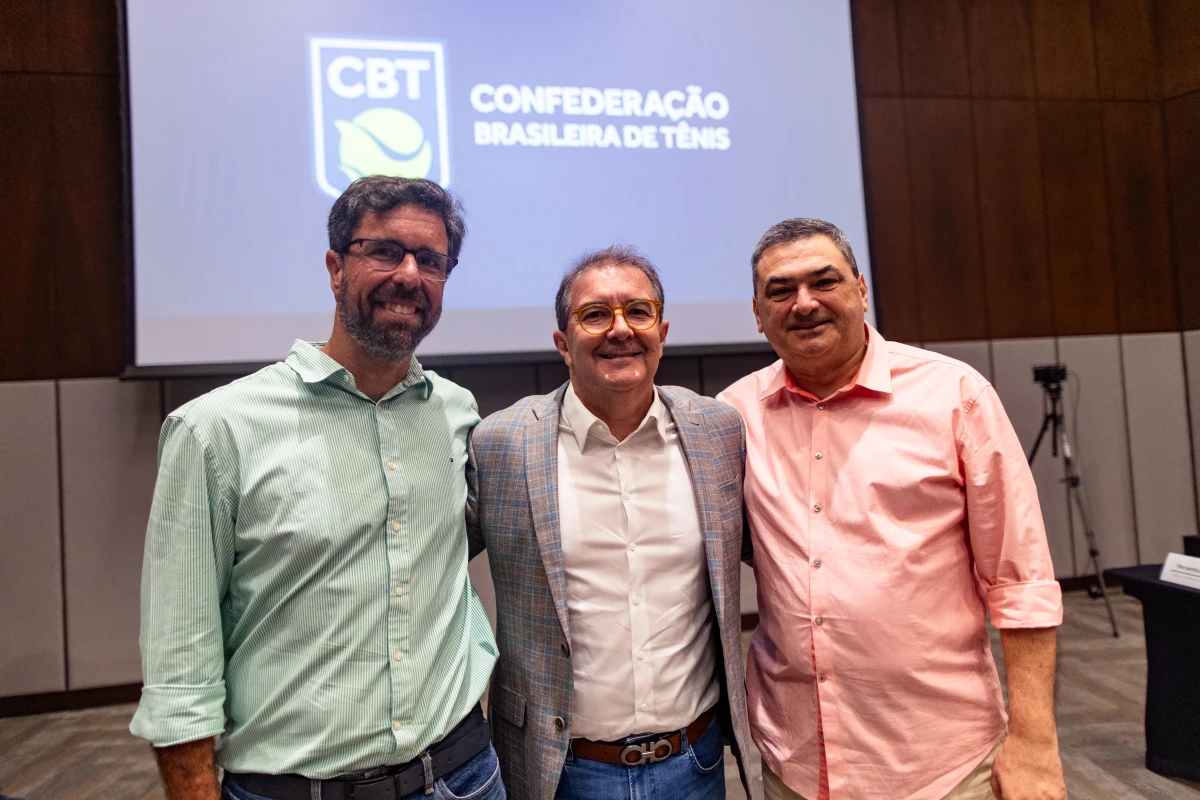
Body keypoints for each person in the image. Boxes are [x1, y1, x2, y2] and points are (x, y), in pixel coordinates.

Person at [130, 177, 503, 800]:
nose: (409, 275)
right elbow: (179, 662)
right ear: (335, 267)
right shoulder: (213, 430)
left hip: (463, 776)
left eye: (431, 260)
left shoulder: (455, 412)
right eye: (384, 251)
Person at [718, 219, 1067, 800]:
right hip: (798, 762)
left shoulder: (955, 397)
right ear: (758, 313)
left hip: (939, 761)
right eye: (780, 291)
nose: (804, 303)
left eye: (823, 282)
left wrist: (1034, 741)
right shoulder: (733, 417)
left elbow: (1019, 580)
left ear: (860, 289)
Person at [467, 246, 753, 800]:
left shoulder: (718, 433)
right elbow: (432, 569)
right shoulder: (501, 444)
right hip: (561, 770)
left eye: (638, 312)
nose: (619, 329)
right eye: (595, 315)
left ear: (662, 332)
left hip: (694, 762)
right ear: (562, 344)